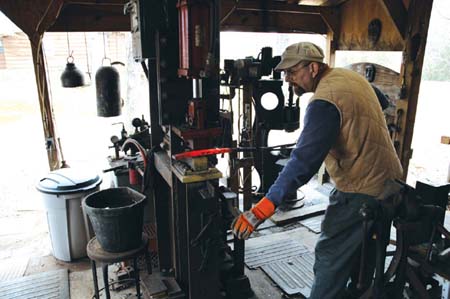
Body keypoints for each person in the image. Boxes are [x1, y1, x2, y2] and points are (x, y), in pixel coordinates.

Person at [232, 42, 403, 298]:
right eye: (285, 74)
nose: (288, 80)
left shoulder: (323, 101)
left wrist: (263, 207)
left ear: (313, 68)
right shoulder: (349, 76)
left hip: (361, 189)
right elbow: (382, 101)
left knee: (330, 255)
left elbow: (303, 162)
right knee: (365, 252)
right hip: (390, 182)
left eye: (292, 72)